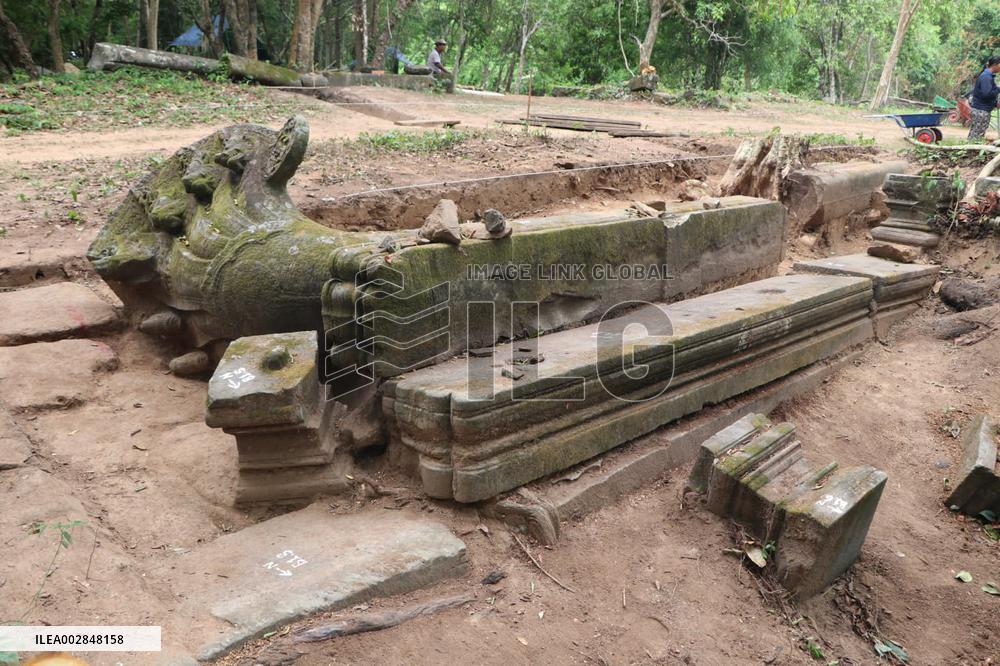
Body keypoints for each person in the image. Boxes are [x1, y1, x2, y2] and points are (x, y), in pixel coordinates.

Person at [968, 55, 1000, 140]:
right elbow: (987, 94)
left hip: (982, 109)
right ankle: (969, 150)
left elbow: (985, 94)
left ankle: (970, 151)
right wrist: (998, 89)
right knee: (976, 135)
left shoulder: (988, 75)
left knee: (977, 134)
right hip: (981, 110)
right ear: (996, 64)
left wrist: (995, 103)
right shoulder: (986, 76)